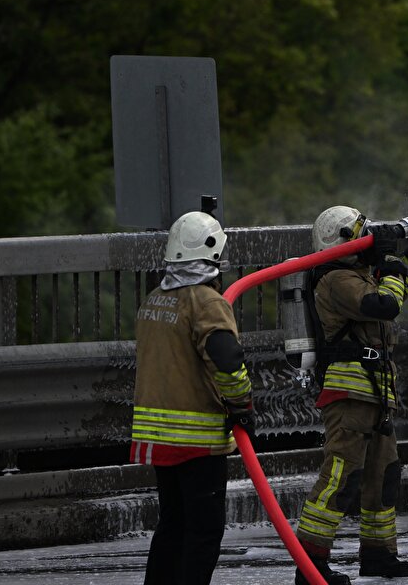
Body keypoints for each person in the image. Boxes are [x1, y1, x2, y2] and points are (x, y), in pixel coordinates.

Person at [293, 205, 408, 585]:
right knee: (341, 477)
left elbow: (398, 289)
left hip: (375, 392)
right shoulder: (336, 279)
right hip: (351, 393)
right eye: (362, 233)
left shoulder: (359, 275)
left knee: (383, 475)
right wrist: (389, 259)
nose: (368, 238)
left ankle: (378, 554)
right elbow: (385, 305)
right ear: (345, 240)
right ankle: (311, 563)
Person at [130, 211, 255, 585]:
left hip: (158, 437)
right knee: (203, 532)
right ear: (213, 253)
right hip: (197, 439)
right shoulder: (206, 301)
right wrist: (242, 405)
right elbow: (227, 359)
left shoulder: (154, 300)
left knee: (172, 525)